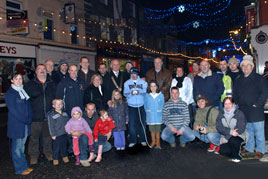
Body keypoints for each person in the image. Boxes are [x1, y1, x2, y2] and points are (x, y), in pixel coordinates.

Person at [233, 55, 268, 159]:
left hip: (256, 109)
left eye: (248, 65)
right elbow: (235, 93)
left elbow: (265, 93)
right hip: (244, 109)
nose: (245, 67)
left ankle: (260, 150)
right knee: (249, 131)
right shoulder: (239, 79)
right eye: (243, 65)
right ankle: (249, 147)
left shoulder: (259, 78)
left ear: (252, 67)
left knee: (258, 131)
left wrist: (257, 104)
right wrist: (238, 103)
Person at [24, 64, 56, 164]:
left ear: (46, 71)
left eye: (43, 69)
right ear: (36, 72)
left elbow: (56, 99)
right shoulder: (29, 85)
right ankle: (33, 156)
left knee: (47, 137)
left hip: (48, 116)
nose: (42, 70)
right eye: (39, 69)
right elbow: (25, 101)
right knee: (34, 138)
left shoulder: (52, 83)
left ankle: (48, 153)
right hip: (35, 116)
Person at [5, 73, 33, 175]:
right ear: (12, 80)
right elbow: (13, 111)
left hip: (25, 124)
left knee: (22, 147)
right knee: (17, 148)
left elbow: (29, 108)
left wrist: (29, 118)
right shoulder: (10, 94)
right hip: (17, 125)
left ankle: (24, 166)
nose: (19, 80)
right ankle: (20, 169)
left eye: (20, 79)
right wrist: (24, 120)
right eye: (16, 79)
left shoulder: (22, 91)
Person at [216, 97, 248, 163]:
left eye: (229, 103)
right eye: (225, 104)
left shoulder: (239, 113)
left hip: (239, 135)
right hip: (228, 135)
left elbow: (240, 129)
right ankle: (236, 150)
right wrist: (230, 132)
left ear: (233, 104)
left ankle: (237, 156)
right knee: (222, 151)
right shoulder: (221, 113)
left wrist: (226, 138)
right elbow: (219, 127)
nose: (227, 106)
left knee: (233, 140)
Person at [124, 67, 148, 147]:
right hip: (131, 106)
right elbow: (125, 93)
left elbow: (145, 91)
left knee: (142, 123)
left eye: (134, 73)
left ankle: (143, 139)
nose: (133, 75)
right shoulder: (127, 83)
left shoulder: (143, 82)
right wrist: (131, 93)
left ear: (137, 74)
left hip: (141, 106)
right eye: (132, 74)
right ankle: (132, 140)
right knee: (131, 124)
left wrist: (139, 91)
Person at [47, 99, 69, 166]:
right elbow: (50, 125)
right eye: (57, 104)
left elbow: (68, 123)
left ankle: (64, 156)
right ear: (53, 106)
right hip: (56, 134)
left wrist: (69, 130)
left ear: (62, 105)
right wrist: (52, 134)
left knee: (64, 146)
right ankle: (55, 158)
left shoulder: (65, 113)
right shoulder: (51, 115)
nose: (59, 105)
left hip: (64, 133)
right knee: (56, 147)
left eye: (60, 104)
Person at [144, 80, 164, 149]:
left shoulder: (160, 95)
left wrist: (160, 111)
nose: (153, 88)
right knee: (152, 129)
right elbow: (145, 105)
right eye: (151, 86)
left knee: (158, 129)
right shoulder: (147, 95)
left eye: (154, 86)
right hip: (150, 115)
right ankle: (153, 141)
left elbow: (162, 105)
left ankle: (158, 142)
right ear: (149, 87)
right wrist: (147, 111)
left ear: (157, 87)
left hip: (158, 115)